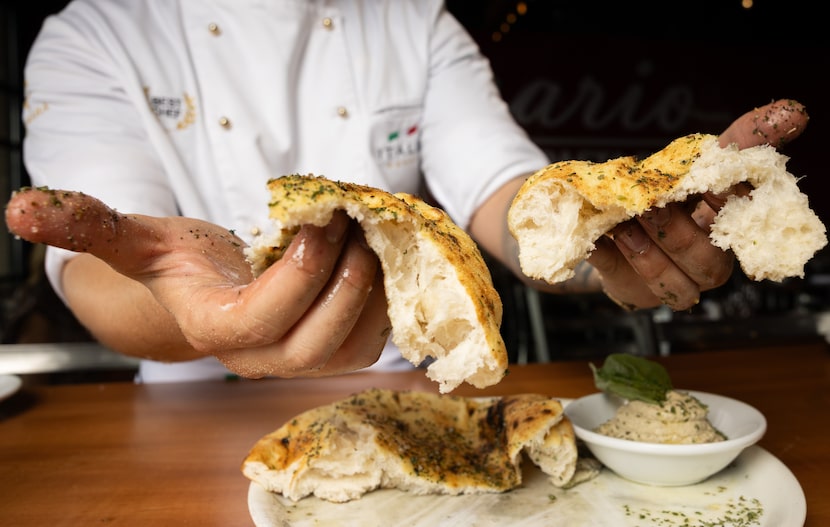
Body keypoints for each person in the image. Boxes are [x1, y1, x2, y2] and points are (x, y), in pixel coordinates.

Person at [6, 0, 808, 383]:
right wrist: (207, 302)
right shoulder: (96, 32)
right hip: (185, 407)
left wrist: (606, 235)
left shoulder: (415, 20)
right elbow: (100, 266)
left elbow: (502, 189)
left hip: (399, 380)